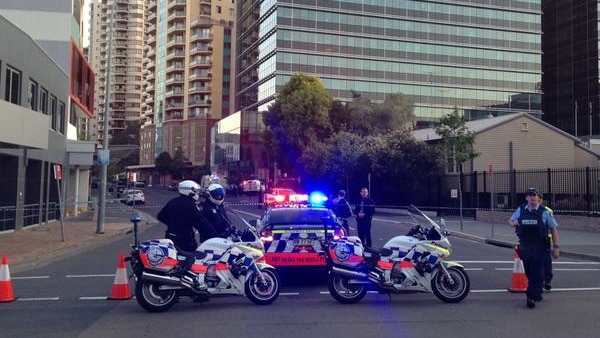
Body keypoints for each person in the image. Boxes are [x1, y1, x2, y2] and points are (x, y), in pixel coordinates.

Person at [509, 188, 559, 309]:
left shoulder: (545, 212)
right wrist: (513, 223)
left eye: (534, 195)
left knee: (538, 271)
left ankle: (531, 296)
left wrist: (556, 247)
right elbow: (511, 220)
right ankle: (535, 293)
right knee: (529, 271)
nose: (532, 197)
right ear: (526, 198)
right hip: (525, 245)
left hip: (540, 246)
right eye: (530, 195)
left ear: (538, 198)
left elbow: (553, 229)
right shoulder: (521, 209)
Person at [156, 180, 214, 282]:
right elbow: (201, 222)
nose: (196, 193)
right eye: (195, 190)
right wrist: (213, 233)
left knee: (175, 261)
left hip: (171, 237)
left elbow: (160, 216)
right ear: (189, 191)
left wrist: (173, 223)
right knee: (195, 263)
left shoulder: (172, 202)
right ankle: (193, 288)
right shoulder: (191, 205)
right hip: (186, 240)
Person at [539, 192, 557, 291]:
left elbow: (552, 227)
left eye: (540, 198)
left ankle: (547, 280)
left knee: (546, 260)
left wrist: (555, 245)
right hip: (535, 240)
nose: (538, 200)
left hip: (546, 239)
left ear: (542, 200)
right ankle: (540, 280)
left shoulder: (547, 211)